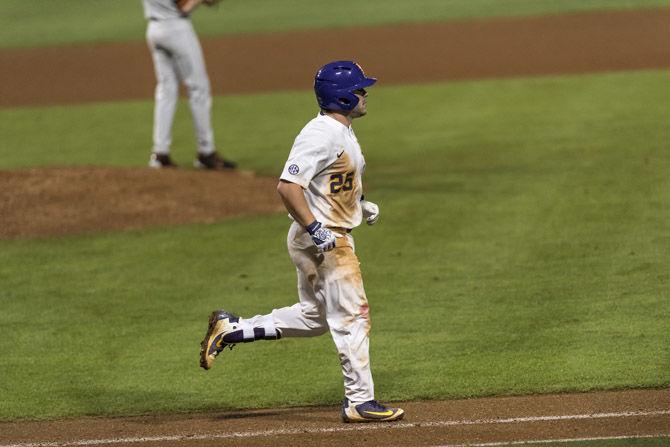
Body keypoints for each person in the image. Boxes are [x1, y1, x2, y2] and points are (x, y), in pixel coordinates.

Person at [199, 61, 404, 423]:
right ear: (341, 97)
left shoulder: (341, 131)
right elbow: (288, 187)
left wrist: (357, 206)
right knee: (353, 317)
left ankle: (232, 329)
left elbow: (329, 182)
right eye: (360, 89)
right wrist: (316, 229)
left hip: (325, 231)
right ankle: (360, 401)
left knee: (314, 317)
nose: (365, 93)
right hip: (323, 240)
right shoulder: (321, 133)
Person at [142, 0, 236, 170]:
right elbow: (183, 5)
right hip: (176, 30)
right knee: (199, 88)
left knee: (166, 89)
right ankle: (206, 152)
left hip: (154, 30)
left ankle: (160, 154)